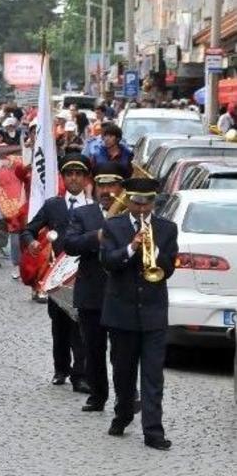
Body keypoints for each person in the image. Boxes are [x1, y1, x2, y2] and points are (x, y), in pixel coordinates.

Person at [100, 177, 178, 450]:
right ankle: (122, 414)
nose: (141, 208)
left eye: (147, 203)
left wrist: (153, 247)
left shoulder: (168, 229)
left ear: (154, 202)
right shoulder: (113, 226)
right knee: (123, 372)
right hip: (121, 312)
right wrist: (132, 247)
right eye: (136, 202)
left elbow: (168, 269)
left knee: (153, 375)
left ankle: (154, 432)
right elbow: (108, 262)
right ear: (128, 201)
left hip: (154, 314)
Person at [20, 154, 92, 392]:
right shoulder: (53, 205)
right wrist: (31, 242)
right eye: (69, 174)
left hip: (84, 275)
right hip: (58, 277)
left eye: (78, 174)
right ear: (63, 178)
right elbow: (28, 229)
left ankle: (80, 374)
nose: (74, 178)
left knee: (81, 327)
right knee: (59, 327)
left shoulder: (93, 207)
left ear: (85, 178)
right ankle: (60, 370)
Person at [64, 162, 129, 412]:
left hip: (121, 293)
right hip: (91, 293)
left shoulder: (129, 216)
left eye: (112, 184)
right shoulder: (84, 214)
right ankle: (98, 395)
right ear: (95, 187)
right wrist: (96, 237)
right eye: (101, 185)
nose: (106, 190)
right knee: (93, 349)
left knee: (122, 352)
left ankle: (125, 397)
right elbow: (69, 244)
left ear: (121, 188)